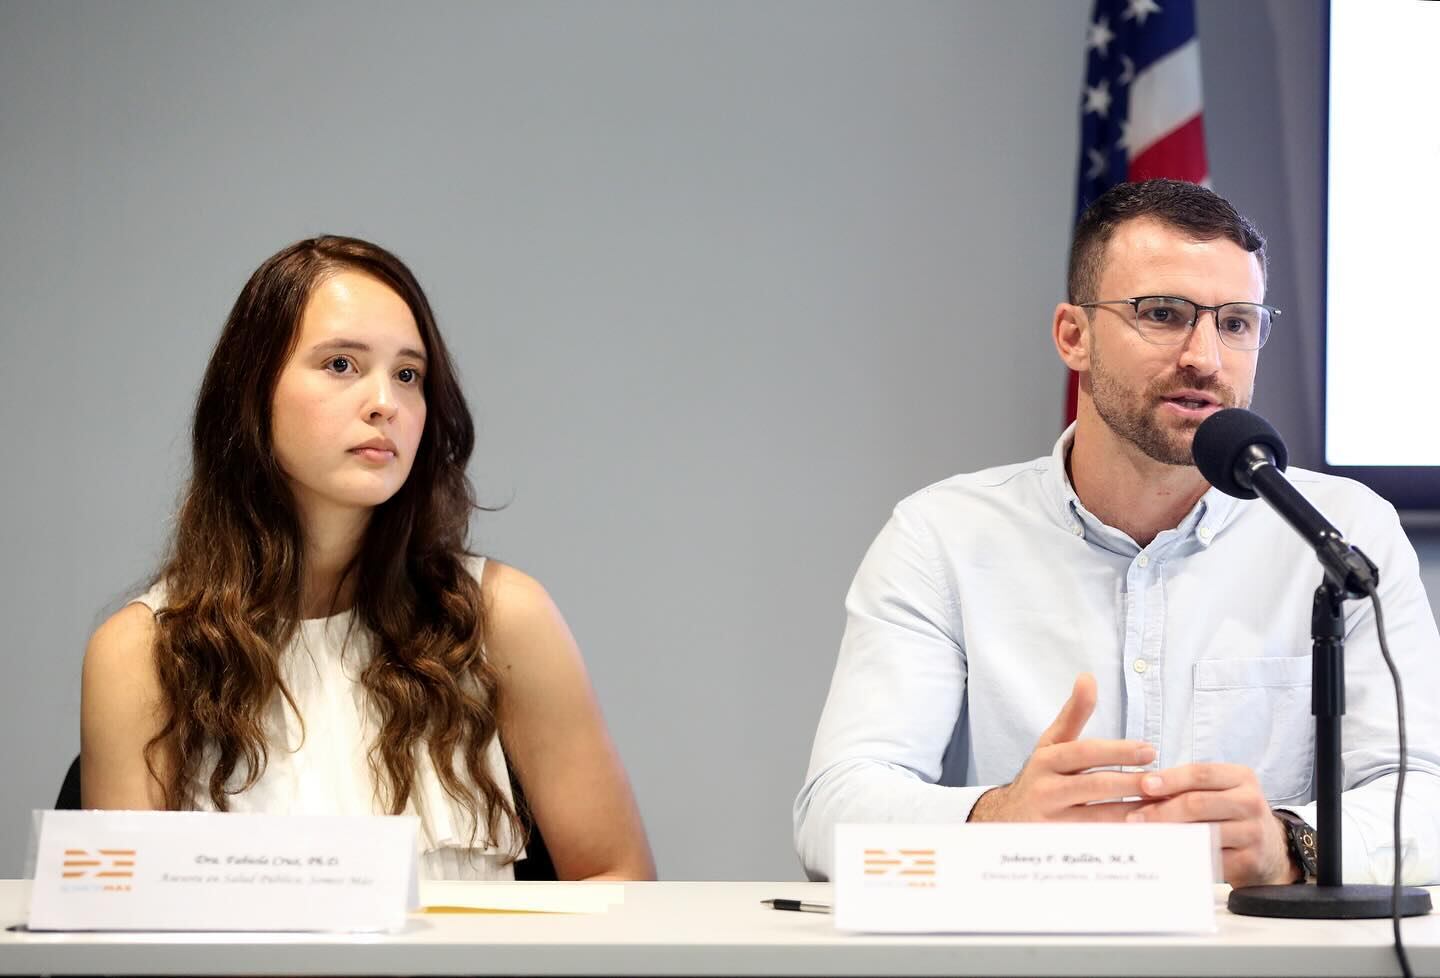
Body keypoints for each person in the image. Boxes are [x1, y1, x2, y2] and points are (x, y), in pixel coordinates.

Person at [794, 179, 1440, 887]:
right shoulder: (943, 535)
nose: (1205, 357)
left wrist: (1292, 844)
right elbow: (835, 806)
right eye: (1163, 314)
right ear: (1074, 335)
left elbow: (1425, 796)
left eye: (1236, 323)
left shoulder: (1341, 535)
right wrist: (994, 820)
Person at [81, 236, 656, 881]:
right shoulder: (139, 651)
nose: (386, 401)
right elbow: (120, 936)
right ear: (251, 391)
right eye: (341, 365)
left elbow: (620, 881)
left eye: (408, 375)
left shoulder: (503, 616)